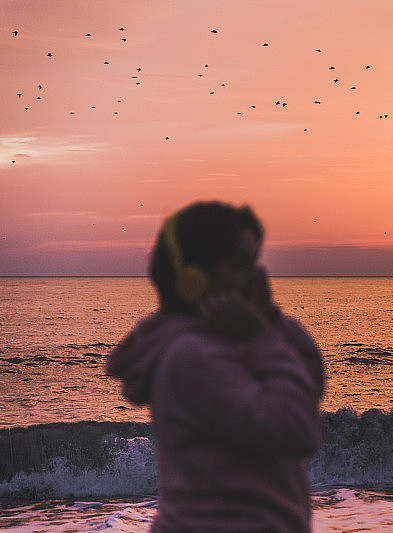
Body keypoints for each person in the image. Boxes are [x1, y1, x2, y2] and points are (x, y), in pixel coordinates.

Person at [107, 201, 324, 532]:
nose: (257, 276)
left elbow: (309, 385)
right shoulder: (195, 355)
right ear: (192, 278)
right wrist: (264, 337)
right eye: (240, 264)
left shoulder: (229, 339)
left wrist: (270, 322)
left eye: (256, 260)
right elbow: (296, 428)